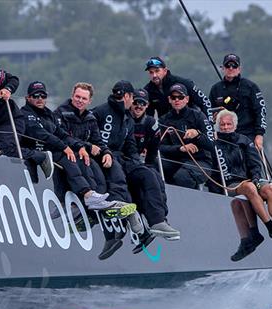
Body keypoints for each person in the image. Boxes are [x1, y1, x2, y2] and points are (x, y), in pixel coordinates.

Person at [55, 82, 139, 259]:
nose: (80, 101)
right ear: (72, 95)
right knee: (91, 172)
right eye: (77, 97)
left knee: (107, 173)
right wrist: (84, 146)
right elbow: (62, 135)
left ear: (89, 100)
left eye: (84, 98)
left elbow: (98, 141)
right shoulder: (61, 113)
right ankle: (89, 213)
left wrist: (106, 153)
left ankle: (112, 213)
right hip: (68, 154)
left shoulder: (90, 118)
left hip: (86, 155)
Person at [92, 80, 180, 241]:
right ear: (126, 96)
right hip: (103, 158)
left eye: (141, 103)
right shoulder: (101, 111)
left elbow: (131, 147)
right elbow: (86, 131)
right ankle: (123, 215)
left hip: (121, 158)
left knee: (149, 175)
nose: (135, 104)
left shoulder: (128, 119)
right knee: (118, 173)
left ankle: (157, 221)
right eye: (133, 99)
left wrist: (137, 164)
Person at [213, 109, 272, 258]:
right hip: (230, 183)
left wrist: (257, 179)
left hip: (251, 180)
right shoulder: (214, 144)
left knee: (269, 188)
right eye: (222, 124)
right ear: (218, 126)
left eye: (228, 124)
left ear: (235, 126)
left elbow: (256, 164)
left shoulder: (244, 141)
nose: (225, 127)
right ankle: (271, 228)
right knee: (248, 188)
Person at [19, 80, 111, 211]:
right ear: (28, 98)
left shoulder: (47, 113)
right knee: (68, 156)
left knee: (79, 156)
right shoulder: (26, 114)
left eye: (43, 96)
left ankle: (92, 196)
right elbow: (42, 134)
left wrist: (79, 146)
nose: (40, 99)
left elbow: (61, 133)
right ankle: (86, 196)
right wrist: (64, 147)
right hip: (33, 152)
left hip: (49, 151)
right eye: (35, 96)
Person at [158, 83, 215, 189]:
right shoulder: (163, 120)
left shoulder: (199, 116)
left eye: (180, 97)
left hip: (200, 161)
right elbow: (160, 147)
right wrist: (180, 148)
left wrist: (197, 135)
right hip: (176, 160)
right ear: (169, 99)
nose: (177, 100)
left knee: (182, 176)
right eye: (173, 97)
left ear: (187, 99)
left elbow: (212, 145)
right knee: (153, 164)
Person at [209, 53, 266, 150]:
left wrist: (259, 135)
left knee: (252, 162)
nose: (231, 68)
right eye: (228, 65)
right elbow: (208, 112)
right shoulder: (215, 89)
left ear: (239, 69)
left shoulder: (251, 87)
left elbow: (260, 111)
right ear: (223, 68)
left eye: (234, 65)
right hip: (224, 135)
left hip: (247, 134)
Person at [143, 56, 212, 120]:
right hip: (167, 127)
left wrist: (209, 125)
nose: (154, 75)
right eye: (151, 72)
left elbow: (205, 102)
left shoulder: (184, 83)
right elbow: (148, 117)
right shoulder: (147, 91)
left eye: (157, 71)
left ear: (165, 71)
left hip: (190, 126)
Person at [129, 89, 160, 166]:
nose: (139, 106)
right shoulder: (123, 118)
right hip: (122, 157)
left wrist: (148, 165)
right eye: (136, 102)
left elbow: (153, 150)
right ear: (131, 102)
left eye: (143, 103)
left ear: (147, 105)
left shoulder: (151, 123)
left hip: (138, 160)